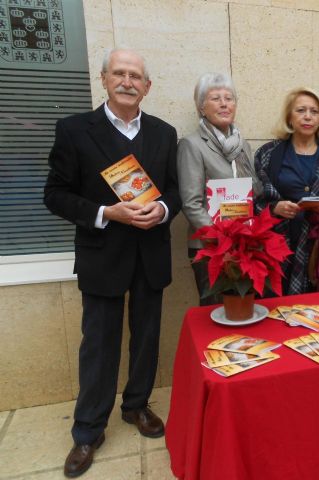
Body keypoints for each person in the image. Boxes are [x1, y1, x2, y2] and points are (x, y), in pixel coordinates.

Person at [43, 48, 181, 478]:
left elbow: (174, 190)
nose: (127, 81)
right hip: (102, 254)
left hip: (150, 253)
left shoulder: (164, 133)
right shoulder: (74, 130)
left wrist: (162, 209)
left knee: (146, 339)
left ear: (147, 86)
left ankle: (136, 406)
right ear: (103, 79)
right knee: (99, 346)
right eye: (119, 73)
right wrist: (106, 213)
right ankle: (88, 430)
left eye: (136, 76)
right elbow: (55, 195)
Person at [254, 87, 319, 295]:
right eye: (301, 110)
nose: (308, 116)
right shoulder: (268, 153)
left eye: (314, 111)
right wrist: (275, 208)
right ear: (289, 117)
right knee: (278, 306)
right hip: (279, 247)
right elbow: (255, 197)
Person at [177, 72, 262, 305]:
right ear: (201, 107)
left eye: (229, 98)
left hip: (243, 244)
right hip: (210, 247)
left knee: (242, 309)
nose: (224, 104)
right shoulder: (192, 145)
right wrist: (220, 240)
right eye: (215, 98)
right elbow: (191, 204)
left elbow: (253, 192)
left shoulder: (242, 145)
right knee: (214, 311)